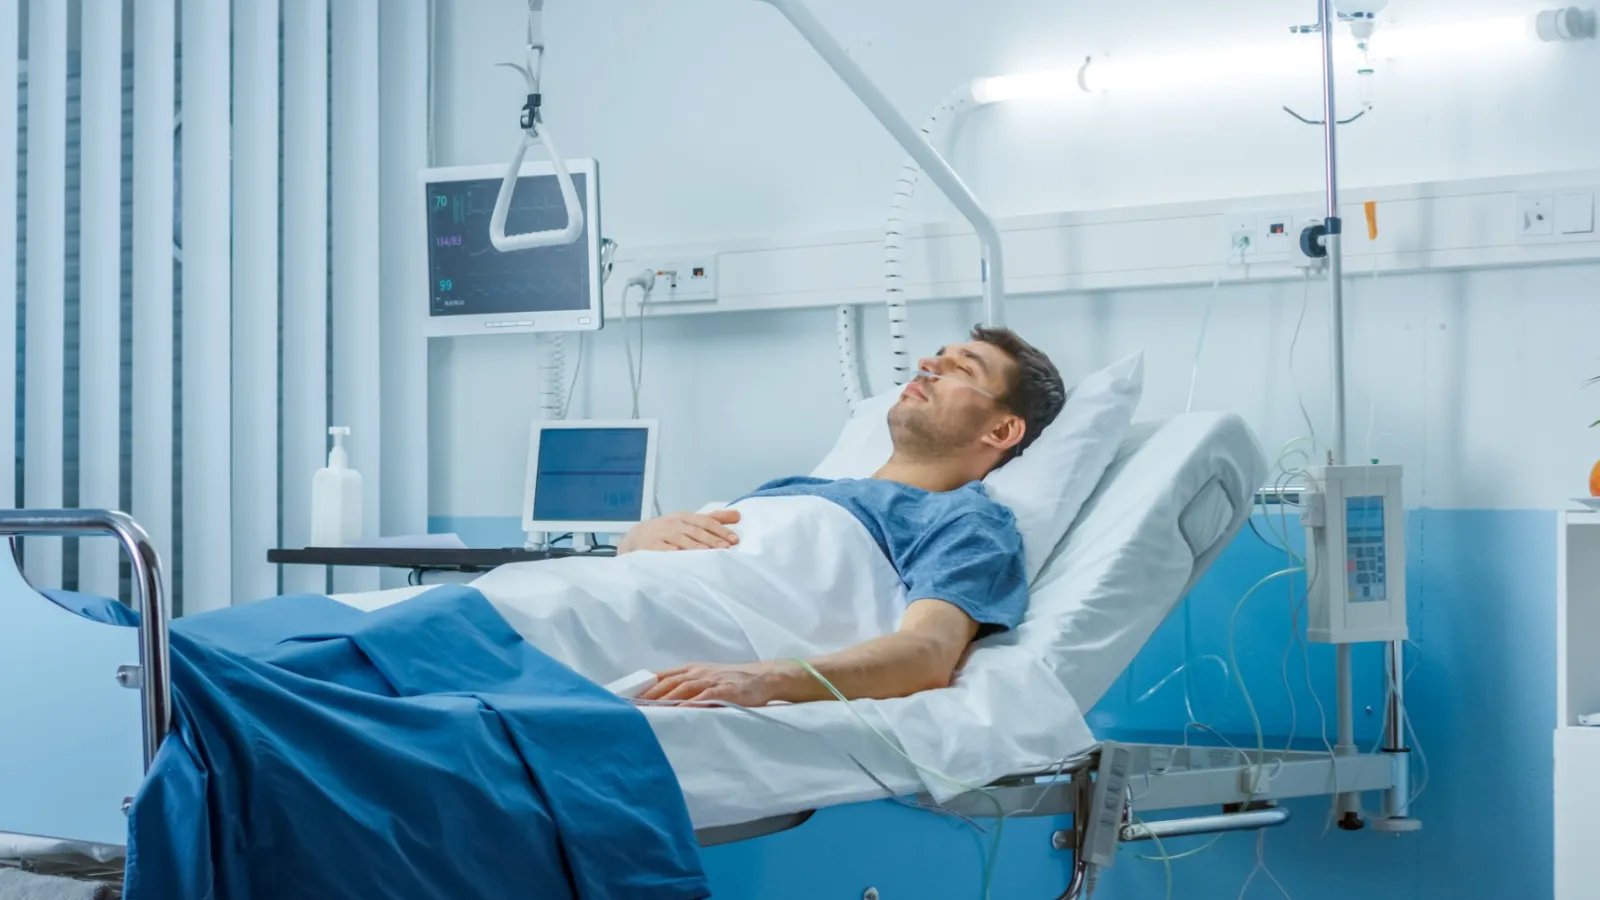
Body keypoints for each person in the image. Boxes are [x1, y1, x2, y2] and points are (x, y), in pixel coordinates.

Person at [631, 325, 1067, 708]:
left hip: (661, 633)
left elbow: (927, 653)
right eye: (939, 354)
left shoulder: (964, 520)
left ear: (1002, 431)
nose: (928, 363)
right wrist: (637, 539)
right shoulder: (798, 488)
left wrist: (767, 678)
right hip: (621, 592)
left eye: (963, 369)